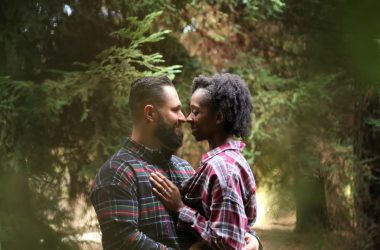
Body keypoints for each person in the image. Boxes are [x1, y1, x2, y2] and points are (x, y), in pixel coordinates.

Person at [90, 76, 260, 249]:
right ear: (150, 113)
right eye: (175, 110)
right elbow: (122, 242)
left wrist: (253, 241)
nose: (184, 118)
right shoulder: (116, 173)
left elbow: (224, 220)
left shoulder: (184, 168)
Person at [150, 73, 262, 250]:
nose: (188, 118)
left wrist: (180, 208)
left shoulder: (222, 169)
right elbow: (240, 227)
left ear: (218, 117)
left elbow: (227, 243)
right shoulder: (233, 160)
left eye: (196, 112)